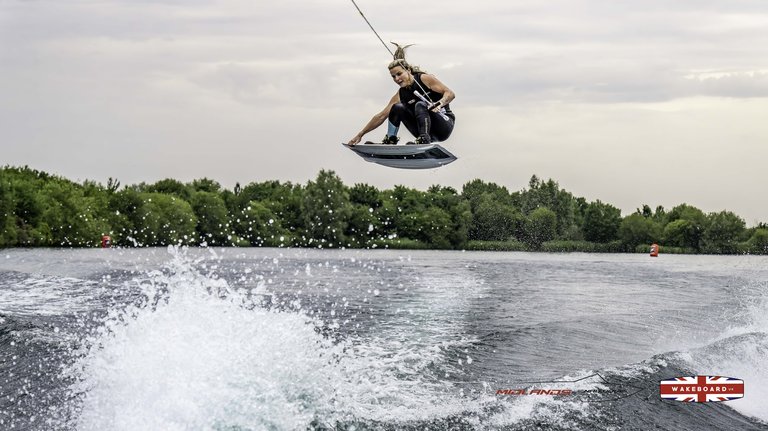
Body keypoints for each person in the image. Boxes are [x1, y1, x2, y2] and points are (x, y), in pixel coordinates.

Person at [348, 43, 456, 146]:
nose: (396, 79)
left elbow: (450, 93)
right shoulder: (401, 94)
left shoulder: (424, 79)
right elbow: (381, 116)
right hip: (423, 129)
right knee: (397, 107)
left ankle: (424, 139)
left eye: (399, 74)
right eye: (393, 76)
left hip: (444, 126)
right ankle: (390, 140)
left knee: (420, 104)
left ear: (408, 70)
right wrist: (361, 134)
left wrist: (440, 103)